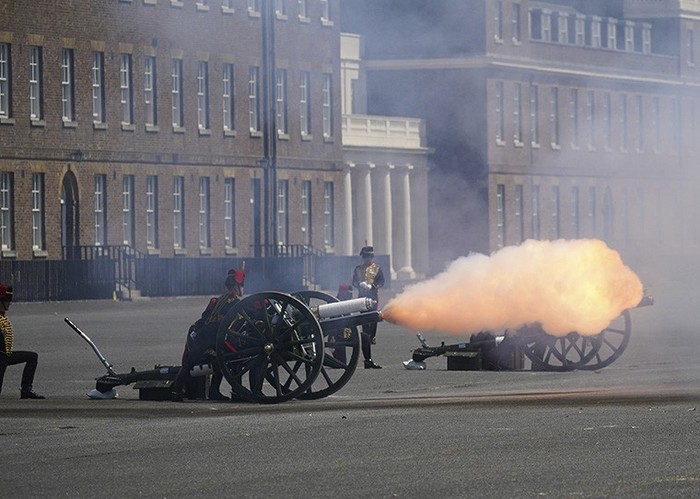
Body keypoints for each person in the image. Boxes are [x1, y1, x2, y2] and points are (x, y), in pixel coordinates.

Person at [170, 268, 245, 402]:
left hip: (203, 334)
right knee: (233, 359)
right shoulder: (236, 304)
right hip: (214, 338)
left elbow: (204, 317)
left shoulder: (216, 301)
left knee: (189, 364)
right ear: (237, 287)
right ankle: (233, 392)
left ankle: (177, 391)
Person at [0, 285, 45, 399]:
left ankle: (26, 389)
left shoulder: (2, 317)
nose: (10, 303)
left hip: (5, 355)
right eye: (7, 301)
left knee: (32, 357)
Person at [352, 246, 385, 369]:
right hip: (362, 298)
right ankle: (367, 339)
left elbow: (382, 281)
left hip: (373, 295)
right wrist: (359, 284)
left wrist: (373, 286)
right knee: (364, 320)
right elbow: (354, 281)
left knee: (374, 317)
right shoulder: (358, 269)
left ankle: (371, 337)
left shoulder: (377, 268)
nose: (368, 259)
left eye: (370, 256)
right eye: (366, 256)